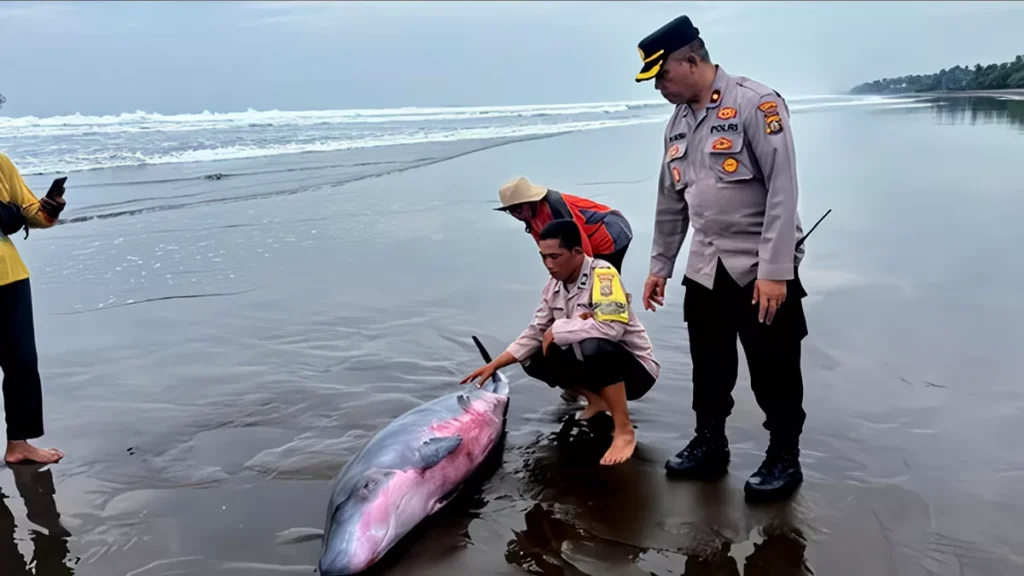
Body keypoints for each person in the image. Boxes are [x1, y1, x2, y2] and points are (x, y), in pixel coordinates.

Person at [634, 15, 809, 502]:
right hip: (706, 266)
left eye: (662, 75)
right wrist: (660, 266)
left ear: (691, 60)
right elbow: (671, 200)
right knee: (709, 364)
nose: (659, 88)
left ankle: (783, 454)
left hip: (759, 267)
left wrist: (776, 273)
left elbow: (783, 190)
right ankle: (710, 442)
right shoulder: (678, 122)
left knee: (774, 367)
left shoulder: (757, 104)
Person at [461, 219, 659, 466]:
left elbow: (612, 329)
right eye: (544, 257)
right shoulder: (553, 285)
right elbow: (535, 332)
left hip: (635, 373)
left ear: (578, 252)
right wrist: (496, 364)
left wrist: (559, 327)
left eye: (555, 256)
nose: (549, 264)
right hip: (596, 367)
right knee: (532, 356)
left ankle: (623, 430)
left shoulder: (604, 276)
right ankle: (596, 400)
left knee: (595, 346)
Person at [0, 152, 66, 465]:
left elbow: (29, 211)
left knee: (22, 363)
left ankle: (19, 443)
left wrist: (49, 210)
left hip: (9, 276)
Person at [495, 176, 633, 272]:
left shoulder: (556, 208)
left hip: (611, 230)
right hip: (589, 234)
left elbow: (580, 242)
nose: (516, 214)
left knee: (602, 280)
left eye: (518, 208)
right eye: (511, 211)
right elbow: (545, 249)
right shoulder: (529, 217)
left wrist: (586, 274)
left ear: (530, 201)